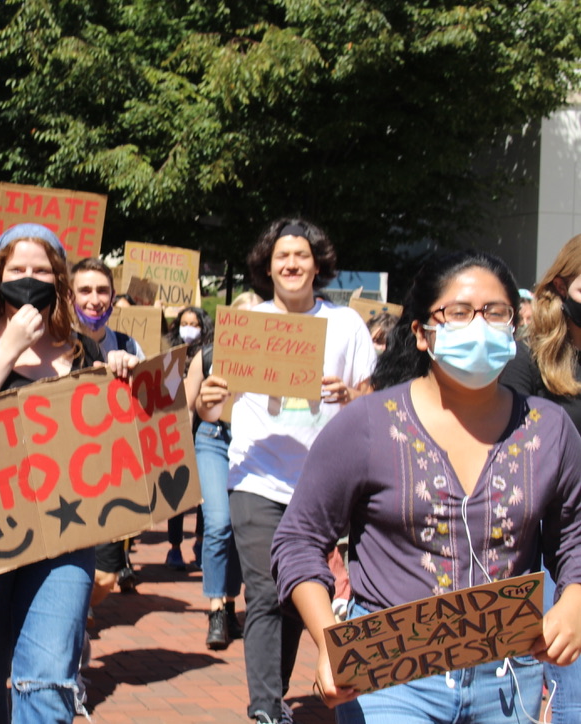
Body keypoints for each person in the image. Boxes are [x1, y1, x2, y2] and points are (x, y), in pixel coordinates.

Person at [274, 248, 581, 723]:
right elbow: (298, 539)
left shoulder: (550, 429)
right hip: (388, 678)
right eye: (458, 313)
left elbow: (575, 536)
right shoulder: (366, 425)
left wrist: (575, 602)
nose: (478, 326)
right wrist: (326, 637)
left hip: (508, 682)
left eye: (494, 312)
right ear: (421, 333)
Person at [0, 223, 134, 723]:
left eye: (41, 270)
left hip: (63, 527)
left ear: (59, 280)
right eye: (18, 269)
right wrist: (9, 348)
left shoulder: (81, 349)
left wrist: (123, 376)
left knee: (48, 677)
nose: (29, 278)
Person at [211, 218, 376, 724]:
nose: (291, 264)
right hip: (256, 477)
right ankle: (264, 707)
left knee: (299, 593)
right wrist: (207, 401)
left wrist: (348, 396)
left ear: (317, 264)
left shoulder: (346, 325)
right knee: (263, 590)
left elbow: (369, 401)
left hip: (325, 485)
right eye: (282, 256)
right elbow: (214, 405)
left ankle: (274, 691)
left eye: (301, 255)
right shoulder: (247, 325)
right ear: (267, 266)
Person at [499, 237, 581, 723]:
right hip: (560, 542)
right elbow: (500, 444)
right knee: (574, 694)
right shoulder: (527, 361)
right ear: (561, 284)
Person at [182, 291, 260, 651]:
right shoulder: (207, 355)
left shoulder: (273, 362)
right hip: (212, 440)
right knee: (218, 522)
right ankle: (215, 608)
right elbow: (185, 408)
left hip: (254, 445)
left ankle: (230, 604)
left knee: (241, 526)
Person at [70, 257, 146, 606]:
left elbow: (150, 413)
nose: (94, 298)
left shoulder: (130, 346)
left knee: (106, 576)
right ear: (69, 297)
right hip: (63, 477)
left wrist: (134, 376)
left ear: (113, 299)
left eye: (102, 290)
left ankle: (78, 614)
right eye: (84, 290)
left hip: (110, 477)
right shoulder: (54, 345)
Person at [163, 306, 213, 570]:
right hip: (175, 429)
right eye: (184, 323)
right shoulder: (169, 356)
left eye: (194, 324)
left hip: (202, 429)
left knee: (204, 492)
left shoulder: (208, 357)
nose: (189, 328)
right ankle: (174, 547)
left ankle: (201, 540)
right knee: (177, 492)